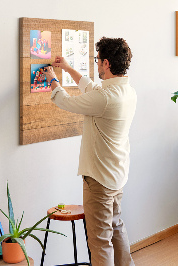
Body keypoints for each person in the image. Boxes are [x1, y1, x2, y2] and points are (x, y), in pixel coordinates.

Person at [42, 37, 136, 266]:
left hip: (99, 179)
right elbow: (91, 88)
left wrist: (52, 79)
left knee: (100, 241)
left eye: (97, 61)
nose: (96, 65)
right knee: (116, 229)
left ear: (106, 63)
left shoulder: (104, 98)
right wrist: (67, 68)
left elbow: (66, 102)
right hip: (116, 175)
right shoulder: (127, 92)